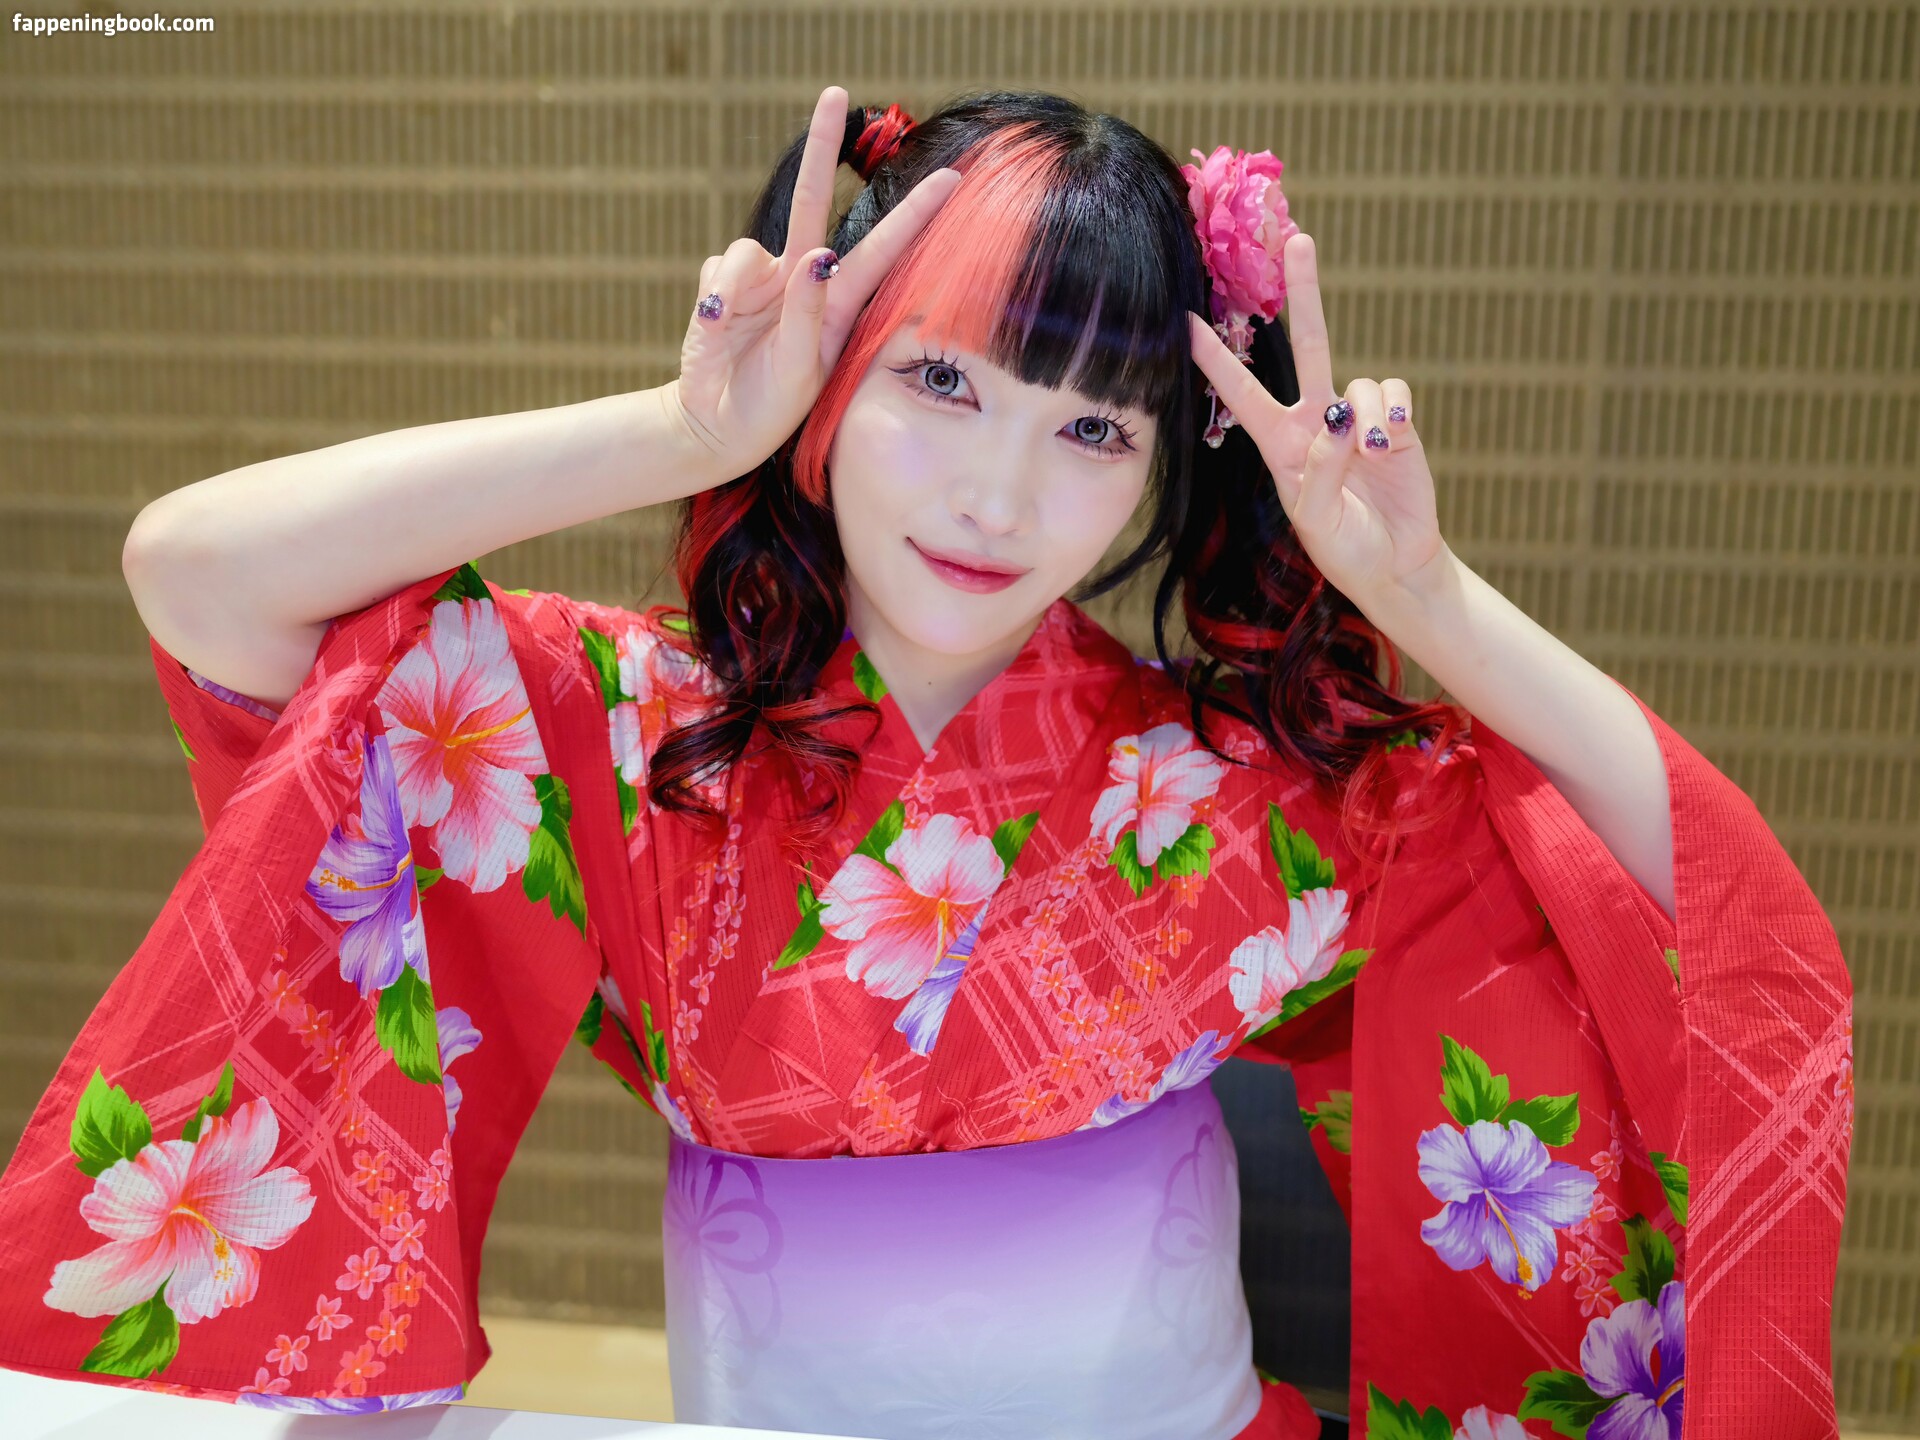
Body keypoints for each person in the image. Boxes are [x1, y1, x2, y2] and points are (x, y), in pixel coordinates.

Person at [0, 86, 1850, 1440]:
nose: (998, 494)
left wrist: (1423, 595)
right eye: (938, 380)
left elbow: (1701, 911)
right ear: (828, 374)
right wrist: (676, 430)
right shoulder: (641, 733)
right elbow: (197, 573)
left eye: (1094, 428)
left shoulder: (1221, 780)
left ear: (1165, 472)